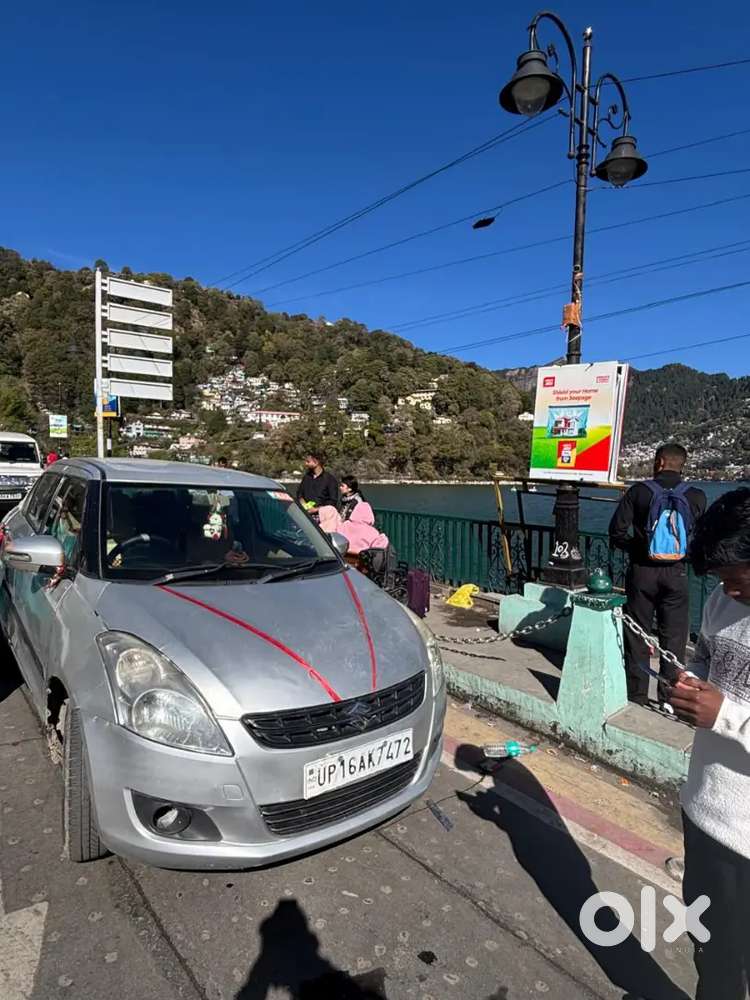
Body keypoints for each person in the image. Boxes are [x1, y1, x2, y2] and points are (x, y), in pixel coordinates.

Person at [669, 488, 750, 998]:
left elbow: (727, 710)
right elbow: (706, 659)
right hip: (702, 812)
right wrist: (689, 680)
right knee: (713, 959)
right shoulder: (723, 600)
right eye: (719, 579)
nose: (726, 589)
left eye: (736, 575)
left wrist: (726, 717)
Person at [609, 443, 706, 703]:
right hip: (677, 573)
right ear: (681, 464)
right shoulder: (696, 495)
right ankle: (667, 698)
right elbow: (701, 539)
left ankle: (637, 694)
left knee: (637, 634)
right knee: (674, 639)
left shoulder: (639, 491)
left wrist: (638, 550)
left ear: (659, 462)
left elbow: (616, 532)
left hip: (642, 572)